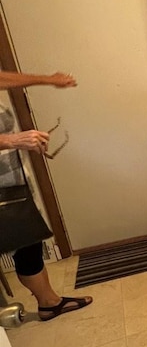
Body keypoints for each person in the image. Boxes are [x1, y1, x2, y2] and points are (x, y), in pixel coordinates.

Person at [0, 69, 92, 321]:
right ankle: (48, 303)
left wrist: (49, 80)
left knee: (28, 243)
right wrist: (12, 140)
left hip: (10, 182)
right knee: (25, 243)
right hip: (4, 187)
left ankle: (49, 302)